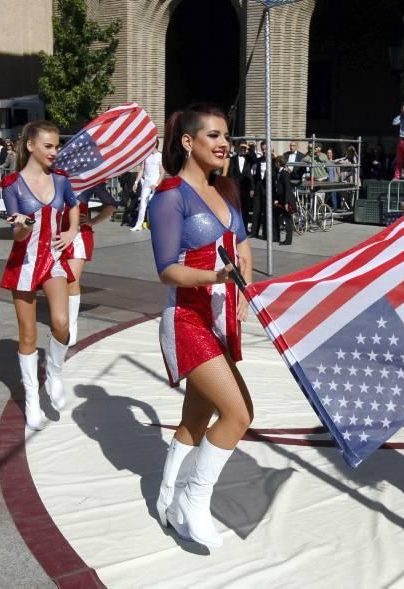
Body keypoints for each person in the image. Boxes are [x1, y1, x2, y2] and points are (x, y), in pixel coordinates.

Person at [148, 103, 253, 549]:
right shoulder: (170, 196)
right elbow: (167, 269)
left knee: (197, 415)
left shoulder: (225, 193)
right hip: (187, 319)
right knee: (239, 413)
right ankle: (194, 498)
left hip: (222, 320)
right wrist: (218, 277)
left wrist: (243, 286)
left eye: (225, 135)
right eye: (212, 135)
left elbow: (243, 246)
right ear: (188, 142)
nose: (223, 143)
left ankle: (166, 497)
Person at [0, 120, 80, 431]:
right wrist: (20, 225)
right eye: (48, 146)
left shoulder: (61, 180)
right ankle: (32, 401)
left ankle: (55, 373)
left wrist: (72, 231)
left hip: (54, 260)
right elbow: (18, 237)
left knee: (62, 324)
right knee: (28, 334)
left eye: (56, 146)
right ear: (30, 146)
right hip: (25, 262)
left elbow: (73, 206)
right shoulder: (11, 184)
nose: (54, 152)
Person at [61, 181, 118, 345]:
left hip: (78, 236)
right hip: (56, 233)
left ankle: (70, 325)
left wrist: (93, 221)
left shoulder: (90, 179)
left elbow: (112, 204)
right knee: (58, 278)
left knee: (71, 279)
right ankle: (61, 318)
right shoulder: (55, 175)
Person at [131, 141, 164, 231]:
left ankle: (157, 224)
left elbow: (162, 172)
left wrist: (157, 184)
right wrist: (136, 182)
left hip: (155, 181)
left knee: (156, 204)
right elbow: (141, 170)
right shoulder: (146, 156)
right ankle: (138, 225)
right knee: (142, 204)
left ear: (155, 144)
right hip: (146, 182)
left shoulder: (159, 156)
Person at [273, 155, 295, 245]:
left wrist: (286, 202)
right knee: (276, 217)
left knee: (288, 220)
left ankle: (288, 240)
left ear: (278, 163)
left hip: (286, 200)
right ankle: (276, 237)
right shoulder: (279, 172)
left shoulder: (284, 174)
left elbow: (287, 188)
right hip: (280, 200)